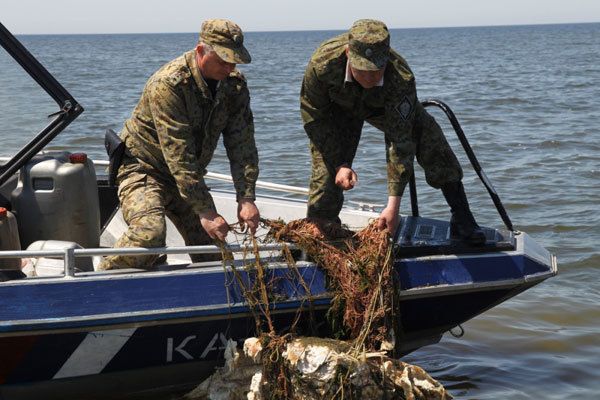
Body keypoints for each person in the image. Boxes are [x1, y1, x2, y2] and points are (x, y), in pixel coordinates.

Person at [300, 19, 485, 244]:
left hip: (383, 108)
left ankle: (462, 217)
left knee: (428, 136)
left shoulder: (400, 77)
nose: (369, 77)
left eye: (376, 70)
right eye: (363, 70)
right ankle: (323, 233)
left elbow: (400, 141)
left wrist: (393, 205)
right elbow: (314, 118)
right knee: (326, 173)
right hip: (336, 111)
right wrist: (340, 163)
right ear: (348, 53)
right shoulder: (322, 65)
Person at [99, 19, 260, 270]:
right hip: (143, 169)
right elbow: (179, 155)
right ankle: (102, 279)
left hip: (186, 178)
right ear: (200, 51)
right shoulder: (169, 84)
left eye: (234, 60)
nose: (229, 67)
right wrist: (205, 211)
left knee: (216, 254)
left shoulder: (234, 86)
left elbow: (242, 144)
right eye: (222, 60)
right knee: (149, 235)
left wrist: (246, 197)